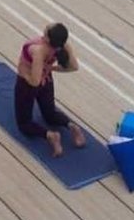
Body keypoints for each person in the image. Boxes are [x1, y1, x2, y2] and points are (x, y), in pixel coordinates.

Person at [14, 22, 86, 157]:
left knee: (24, 124)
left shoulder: (39, 50)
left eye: (48, 28)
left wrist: (23, 73)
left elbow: (35, 82)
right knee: (50, 114)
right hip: (47, 81)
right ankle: (71, 125)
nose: (46, 26)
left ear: (47, 38)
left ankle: (50, 135)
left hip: (28, 85)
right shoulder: (63, 45)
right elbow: (74, 67)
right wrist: (51, 68)